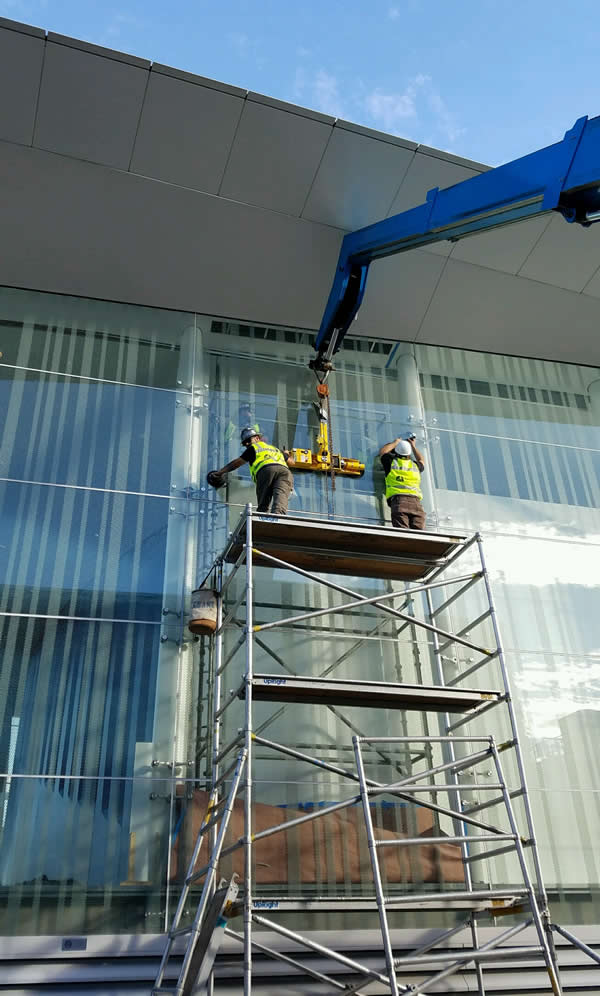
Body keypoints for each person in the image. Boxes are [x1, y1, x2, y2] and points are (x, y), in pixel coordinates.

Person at [208, 427, 294, 515]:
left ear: (257, 438)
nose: (247, 444)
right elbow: (292, 462)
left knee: (264, 501)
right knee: (281, 496)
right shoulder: (275, 449)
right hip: (285, 472)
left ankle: (262, 518)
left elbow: (235, 464)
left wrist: (219, 473)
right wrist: (287, 454)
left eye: (248, 440)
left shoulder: (254, 448)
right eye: (245, 443)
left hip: (266, 470)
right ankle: (278, 516)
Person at [379, 433, 426, 530]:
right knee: (420, 536)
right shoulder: (415, 466)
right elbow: (421, 460)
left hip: (399, 502)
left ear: (396, 452)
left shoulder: (391, 462)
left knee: (403, 534)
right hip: (416, 504)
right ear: (409, 455)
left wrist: (396, 442)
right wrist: (413, 446)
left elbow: (383, 452)